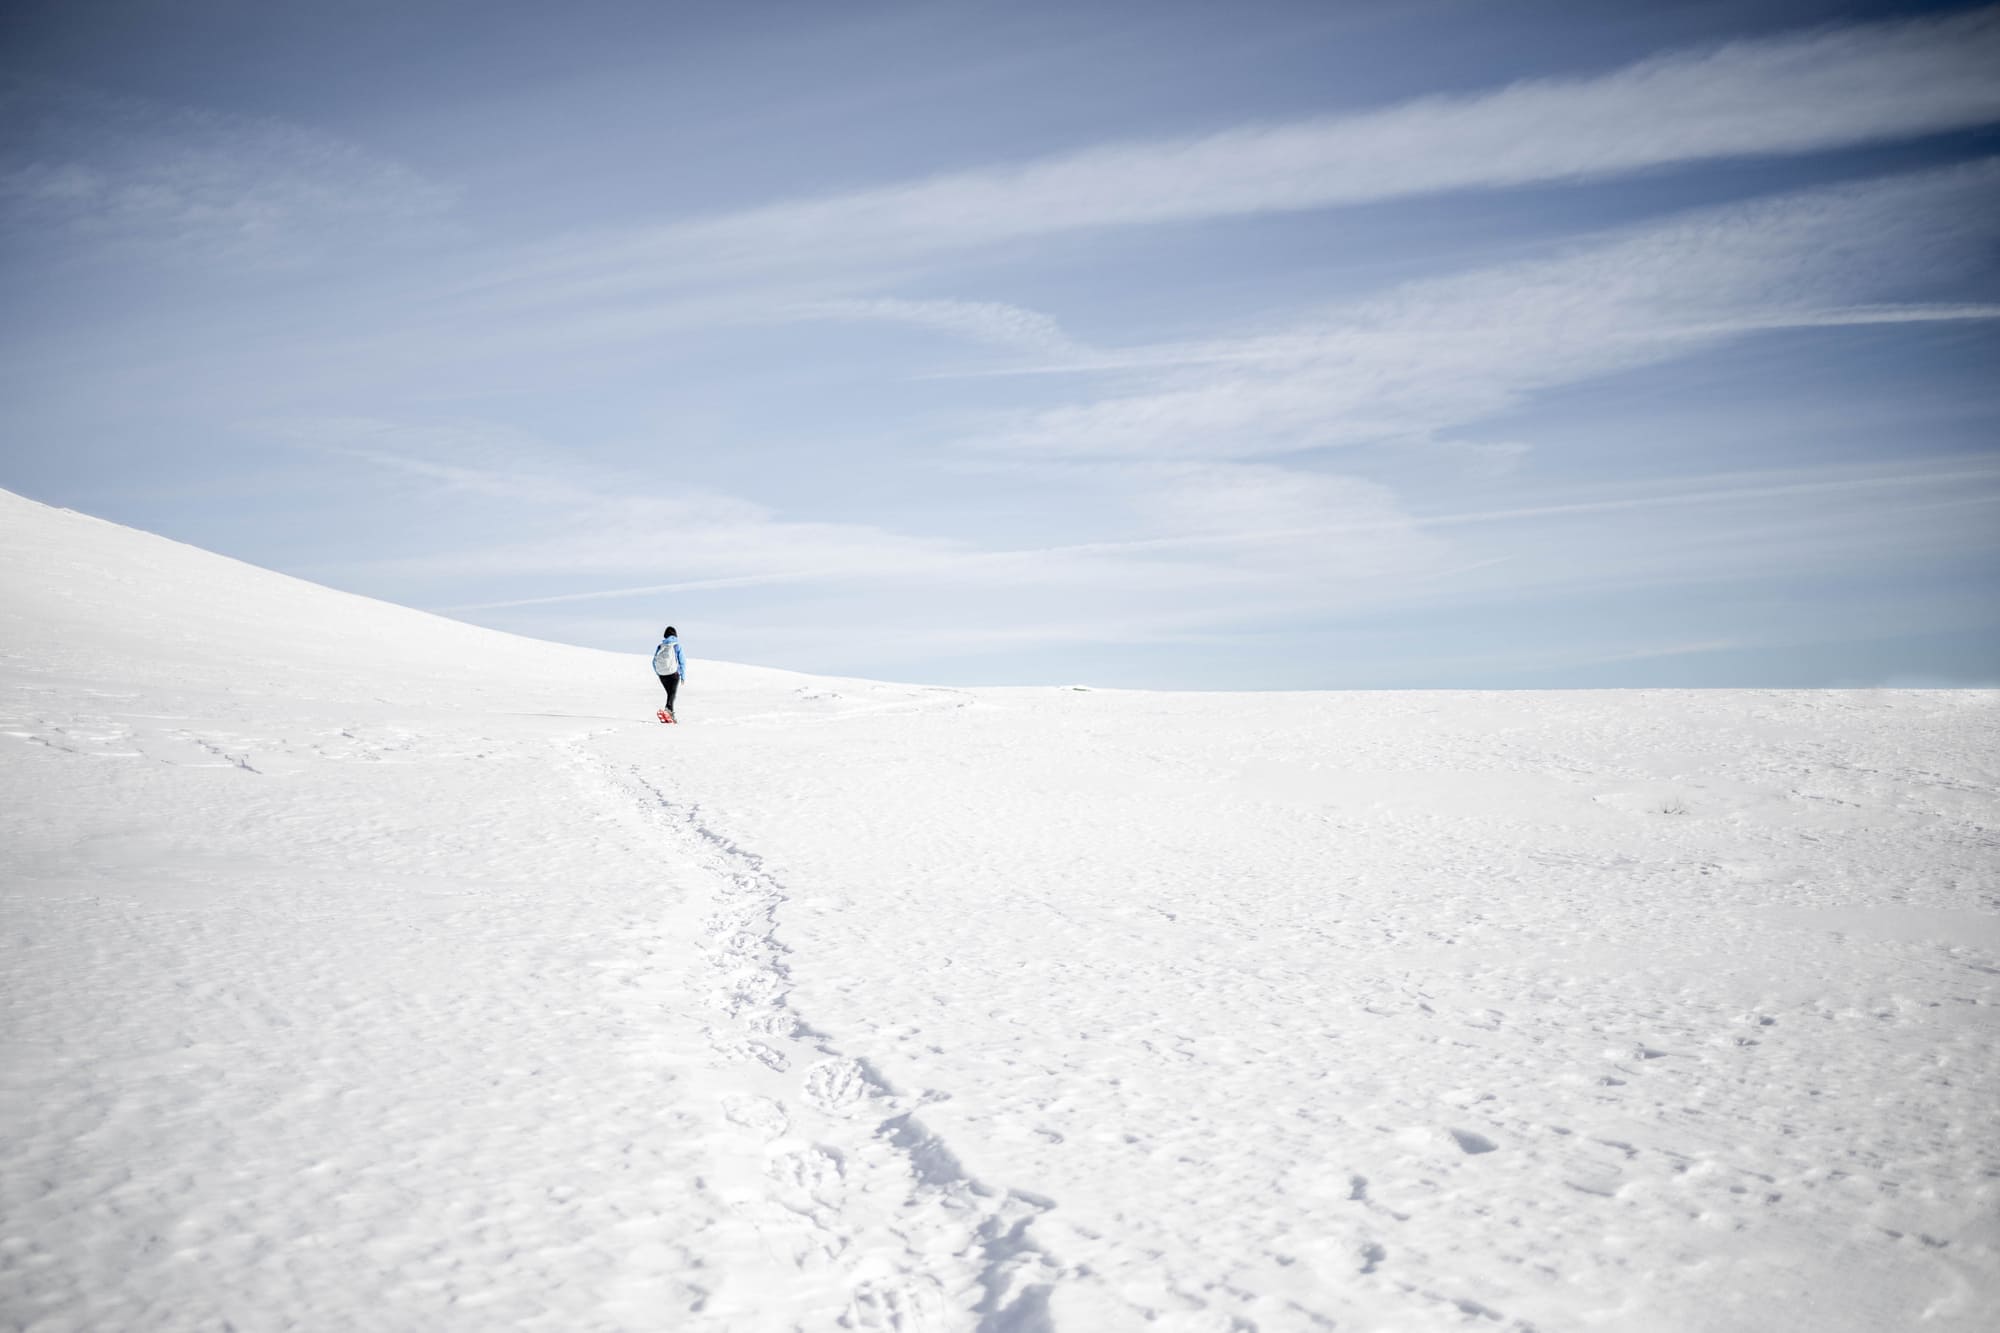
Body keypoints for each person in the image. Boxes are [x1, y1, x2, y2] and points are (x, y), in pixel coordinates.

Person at [652, 626, 686, 716]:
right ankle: (668, 710)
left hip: (662, 674)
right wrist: (683, 676)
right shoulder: (677, 646)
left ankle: (670, 712)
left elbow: (653, 661)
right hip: (673, 674)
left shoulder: (660, 646)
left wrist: (658, 673)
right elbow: (682, 662)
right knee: (672, 694)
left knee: (670, 694)